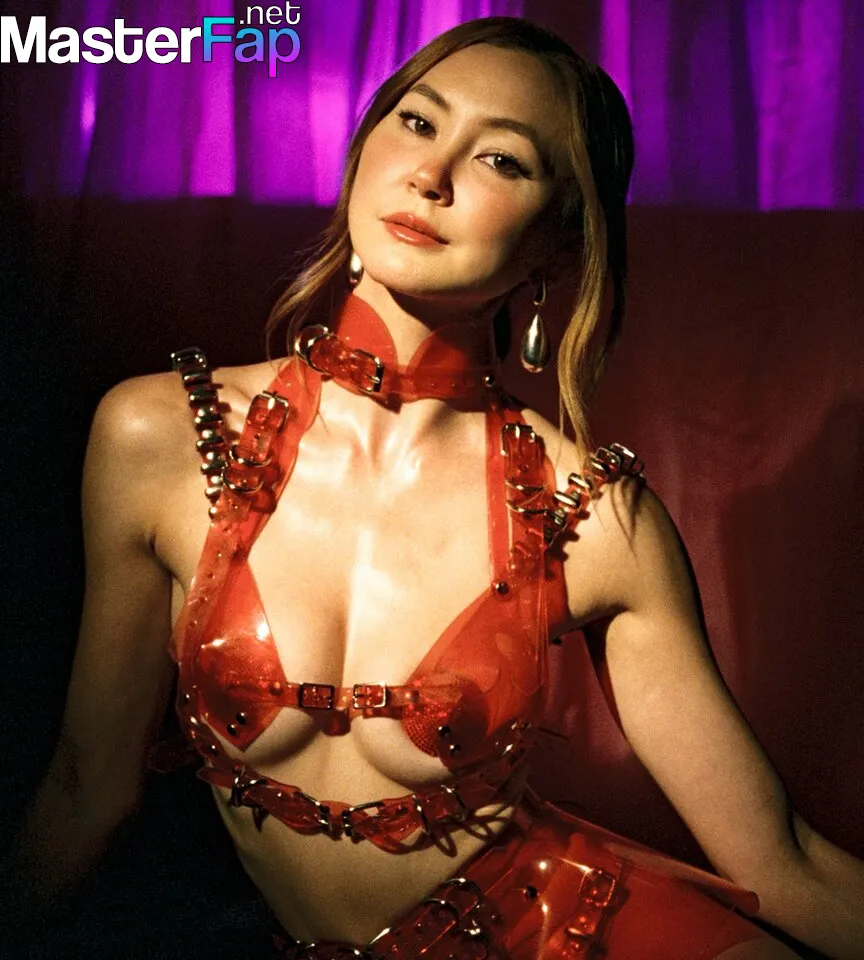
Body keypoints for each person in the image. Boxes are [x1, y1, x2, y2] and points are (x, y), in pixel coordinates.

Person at [6, 16, 864, 960]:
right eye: (417, 122)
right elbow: (87, 789)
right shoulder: (159, 434)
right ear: (363, 150)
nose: (433, 174)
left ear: (558, 244)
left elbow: (783, 862)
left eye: (502, 160)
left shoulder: (592, 516)